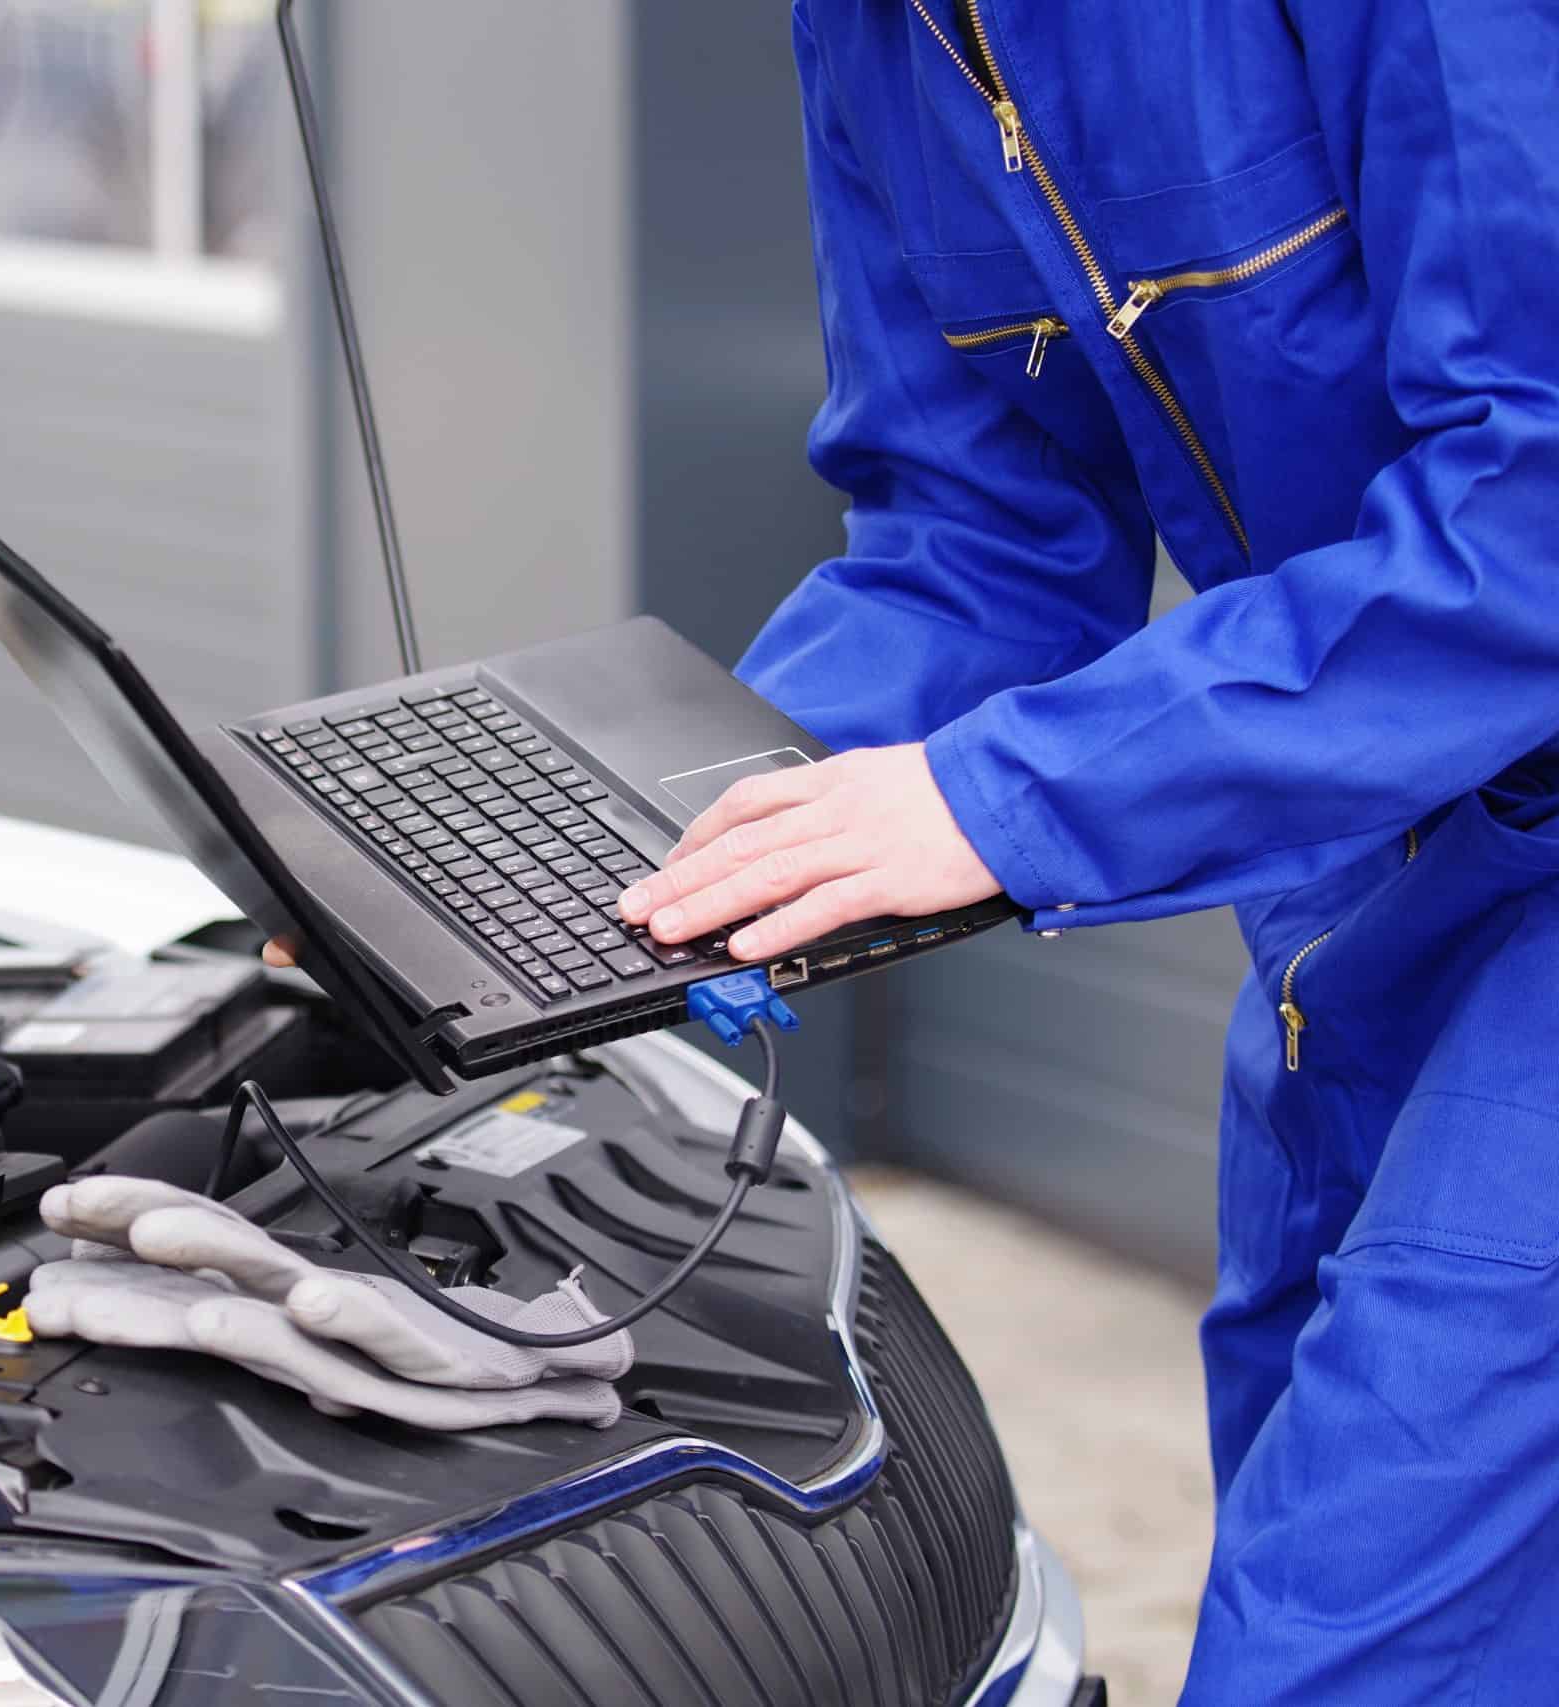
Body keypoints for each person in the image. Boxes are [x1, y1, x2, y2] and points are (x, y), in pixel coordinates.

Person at [612, 3, 1559, 1701]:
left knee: (1343, 1634)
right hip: (1354, 883)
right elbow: (982, 541)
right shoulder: (877, 36)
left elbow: (1539, 506)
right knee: (1320, 1491)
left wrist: (1006, 800)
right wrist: (623, 850)